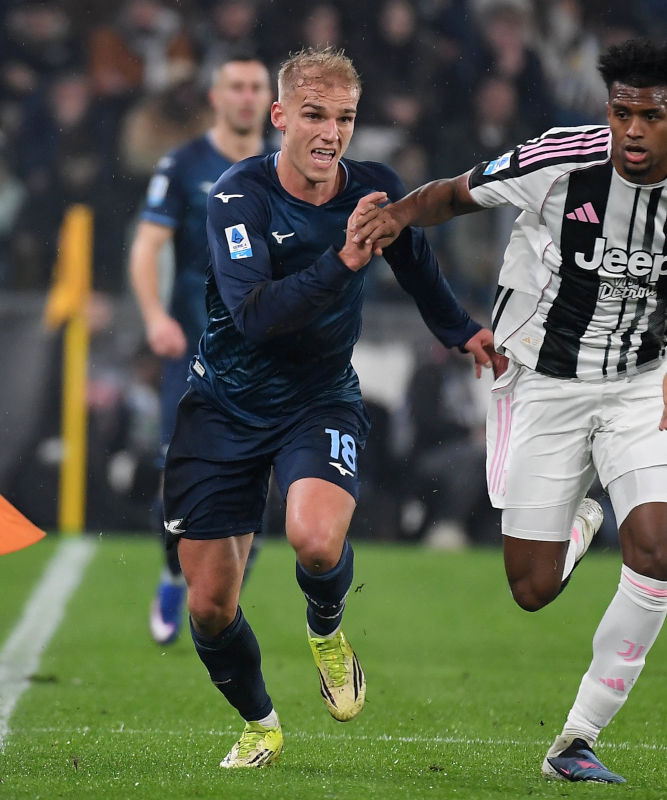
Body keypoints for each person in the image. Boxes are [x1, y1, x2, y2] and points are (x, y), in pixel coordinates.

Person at [351, 38, 667, 784]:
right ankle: (584, 520)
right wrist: (398, 215)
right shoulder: (558, 161)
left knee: (658, 549)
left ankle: (576, 737)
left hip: (640, 387)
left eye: (649, 116)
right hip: (545, 386)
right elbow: (458, 192)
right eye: (620, 111)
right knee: (530, 590)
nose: (631, 129)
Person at [163, 46, 496, 768]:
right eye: (314, 114)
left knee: (315, 541)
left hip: (317, 398)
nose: (330, 132)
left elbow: (417, 266)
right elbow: (253, 315)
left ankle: (326, 629)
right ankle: (260, 723)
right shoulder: (236, 197)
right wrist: (341, 261)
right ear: (279, 117)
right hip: (222, 404)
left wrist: (461, 329)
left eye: (344, 118)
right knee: (211, 605)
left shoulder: (375, 190)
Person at [128, 57, 272, 647]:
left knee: (256, 474)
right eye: (234, 86)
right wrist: (154, 316)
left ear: (272, 99)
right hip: (194, 351)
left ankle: (221, 582)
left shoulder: (289, 167)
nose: (244, 97)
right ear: (216, 95)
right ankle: (172, 570)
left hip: (266, 352)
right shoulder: (183, 165)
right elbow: (146, 246)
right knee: (178, 476)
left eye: (255, 88)